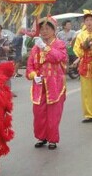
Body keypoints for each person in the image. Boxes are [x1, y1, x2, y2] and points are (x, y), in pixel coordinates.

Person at [26, 17, 67, 150]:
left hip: (55, 84)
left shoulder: (59, 44)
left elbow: (58, 57)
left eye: (47, 29)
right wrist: (33, 75)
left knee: (53, 113)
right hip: (39, 85)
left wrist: (44, 47)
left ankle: (52, 139)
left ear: (54, 30)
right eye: (42, 29)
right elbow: (30, 66)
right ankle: (41, 137)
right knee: (39, 113)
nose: (44, 31)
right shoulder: (35, 47)